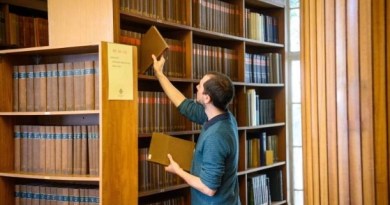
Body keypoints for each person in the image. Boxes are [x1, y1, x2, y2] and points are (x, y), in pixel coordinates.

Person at [152, 54, 241, 205]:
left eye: (200, 86)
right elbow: (183, 104)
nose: (197, 87)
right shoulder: (222, 116)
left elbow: (208, 188)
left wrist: (178, 170)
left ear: (207, 98)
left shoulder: (216, 137)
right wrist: (159, 74)